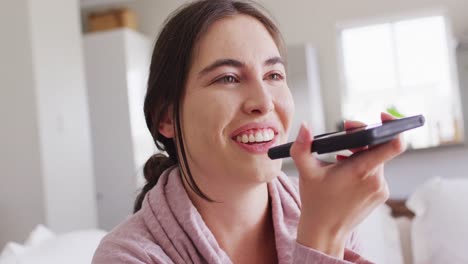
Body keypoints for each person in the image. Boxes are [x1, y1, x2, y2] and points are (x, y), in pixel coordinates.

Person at [92, 0, 405, 263]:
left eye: (273, 74)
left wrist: (328, 230)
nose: (264, 102)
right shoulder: (128, 255)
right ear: (166, 118)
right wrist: (322, 240)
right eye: (228, 78)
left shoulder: (324, 211)